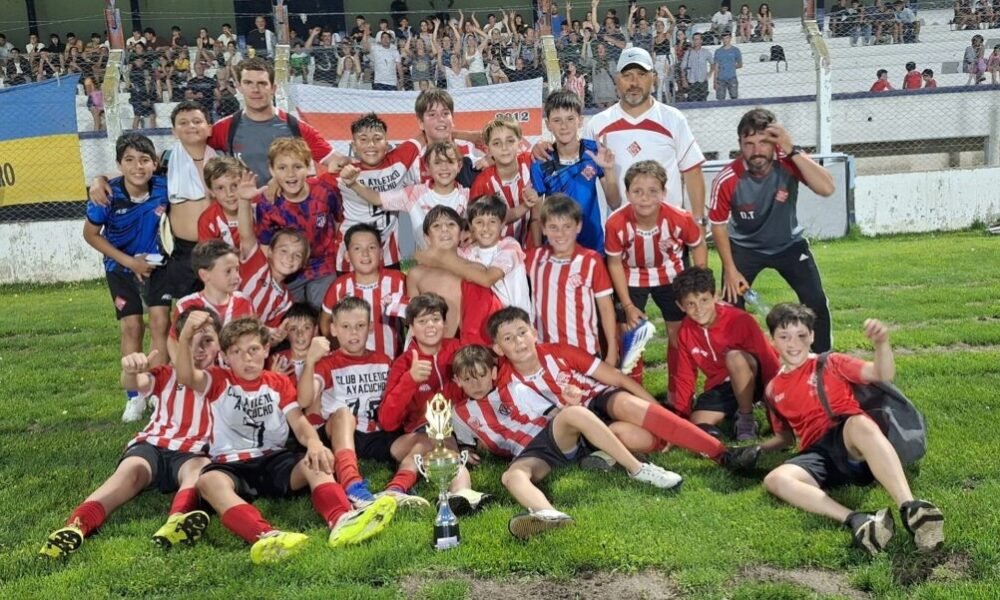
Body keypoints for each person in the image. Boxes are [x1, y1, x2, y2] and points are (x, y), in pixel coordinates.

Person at [175, 314, 396, 564]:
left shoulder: (277, 382)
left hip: (274, 459)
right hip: (231, 464)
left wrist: (314, 443)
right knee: (208, 482)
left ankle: (343, 518)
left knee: (317, 461)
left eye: (254, 349)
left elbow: (299, 423)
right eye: (237, 352)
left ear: (266, 349)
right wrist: (185, 338)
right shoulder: (218, 380)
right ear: (225, 357)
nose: (247, 358)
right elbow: (185, 375)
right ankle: (266, 536)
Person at [757, 304, 945, 555]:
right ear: (772, 340)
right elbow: (784, 437)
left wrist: (881, 343)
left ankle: (911, 509)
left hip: (849, 441)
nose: (794, 343)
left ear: (812, 336)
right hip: (818, 453)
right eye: (784, 336)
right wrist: (756, 449)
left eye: (802, 335)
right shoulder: (773, 389)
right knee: (775, 479)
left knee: (859, 423)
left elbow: (882, 373)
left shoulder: (830, 362)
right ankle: (859, 520)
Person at [448, 345, 682, 540]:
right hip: (529, 455)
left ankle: (639, 469)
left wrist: (570, 404)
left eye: (481, 375)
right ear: (457, 380)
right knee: (510, 476)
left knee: (573, 414)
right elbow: (466, 447)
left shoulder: (515, 389)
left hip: (550, 437)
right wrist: (469, 454)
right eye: (468, 379)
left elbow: (553, 413)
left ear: (492, 372)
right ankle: (549, 515)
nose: (476, 384)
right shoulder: (460, 414)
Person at [39, 310, 222, 559]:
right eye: (192, 341)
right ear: (179, 343)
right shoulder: (167, 374)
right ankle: (76, 525)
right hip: (154, 445)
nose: (200, 349)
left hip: (194, 452)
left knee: (198, 472)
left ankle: (177, 522)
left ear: (220, 343)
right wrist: (130, 369)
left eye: (208, 341)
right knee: (129, 474)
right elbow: (135, 383)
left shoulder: (226, 378)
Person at [487, 307, 757, 473]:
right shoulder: (508, 385)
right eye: (508, 338)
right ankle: (623, 449)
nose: (519, 341)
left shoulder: (558, 352)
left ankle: (722, 454)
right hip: (578, 427)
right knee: (637, 436)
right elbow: (539, 428)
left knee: (627, 404)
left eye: (522, 332)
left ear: (534, 333)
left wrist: (659, 409)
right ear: (499, 349)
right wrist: (568, 408)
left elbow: (618, 378)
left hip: (596, 399)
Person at [709, 108, 836, 353]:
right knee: (729, 305)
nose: (757, 151)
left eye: (764, 142)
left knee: (816, 300)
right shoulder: (727, 178)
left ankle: (822, 361)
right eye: (749, 143)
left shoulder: (789, 162)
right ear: (740, 144)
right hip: (745, 248)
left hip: (788, 244)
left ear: (775, 141)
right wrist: (731, 270)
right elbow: (718, 225)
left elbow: (827, 188)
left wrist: (792, 149)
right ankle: (741, 363)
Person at [299, 297, 442, 509]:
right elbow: (304, 399)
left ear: (371, 328)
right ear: (334, 329)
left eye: (360, 326)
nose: (354, 332)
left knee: (429, 440)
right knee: (344, 414)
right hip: (342, 432)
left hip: (378, 433)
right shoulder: (327, 363)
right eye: (346, 327)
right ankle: (352, 484)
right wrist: (310, 362)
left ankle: (396, 490)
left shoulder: (384, 360)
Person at [83, 133, 172, 422]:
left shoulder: (164, 187)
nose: (138, 167)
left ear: (155, 163)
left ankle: (158, 393)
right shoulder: (106, 195)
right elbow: (91, 234)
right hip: (120, 268)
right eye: (130, 160)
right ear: (119, 165)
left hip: (157, 267)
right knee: (132, 328)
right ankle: (135, 396)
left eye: (145, 160)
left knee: (161, 325)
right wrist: (129, 262)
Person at [579, 48, 708, 227]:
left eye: (641, 74)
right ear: (617, 80)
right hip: (622, 237)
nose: (634, 82)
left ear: (653, 78)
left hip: (670, 233)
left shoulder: (672, 118)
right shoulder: (597, 125)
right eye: (627, 75)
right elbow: (581, 174)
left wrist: (699, 221)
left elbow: (692, 172)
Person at [606, 160, 705, 380]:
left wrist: (700, 281)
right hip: (631, 275)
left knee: (678, 332)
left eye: (653, 191)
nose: (645, 198)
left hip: (671, 273)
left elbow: (698, 243)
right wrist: (628, 305)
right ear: (628, 194)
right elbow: (613, 263)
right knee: (630, 333)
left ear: (663, 193)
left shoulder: (680, 218)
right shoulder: (615, 223)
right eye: (638, 191)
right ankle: (635, 393)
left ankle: (678, 393)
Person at [669, 267, 780, 441]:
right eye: (691, 304)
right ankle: (734, 411)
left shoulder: (740, 320)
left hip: (753, 377)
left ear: (715, 297)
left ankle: (746, 418)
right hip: (721, 385)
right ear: (680, 306)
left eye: (704, 300)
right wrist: (680, 419)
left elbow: (768, 361)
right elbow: (685, 376)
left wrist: (775, 410)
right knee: (697, 425)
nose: (699, 309)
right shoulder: (685, 332)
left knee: (734, 357)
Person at [413, 196, 532, 343]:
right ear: (470, 226)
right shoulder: (468, 253)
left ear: (502, 224)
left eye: (492, 222)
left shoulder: (509, 246)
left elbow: (487, 279)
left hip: (518, 326)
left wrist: (434, 257)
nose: (486, 228)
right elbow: (450, 259)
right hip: (487, 330)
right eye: (479, 222)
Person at [323, 113, 422, 274]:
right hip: (352, 255)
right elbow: (303, 186)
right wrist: (273, 183)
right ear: (353, 146)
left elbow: (430, 131)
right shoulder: (342, 174)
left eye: (377, 138)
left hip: (390, 253)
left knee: (392, 294)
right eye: (363, 139)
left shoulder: (399, 160)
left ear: (387, 144)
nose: (371, 144)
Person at [252, 137, 343, 310]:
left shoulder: (325, 191)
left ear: (308, 167)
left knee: (322, 307)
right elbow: (265, 246)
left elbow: (338, 221)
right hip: (289, 269)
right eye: (282, 168)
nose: (290, 174)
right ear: (272, 170)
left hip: (323, 264)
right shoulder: (268, 203)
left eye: (297, 166)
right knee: (293, 313)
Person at [528, 195, 618, 366]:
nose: (560, 234)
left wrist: (612, 350)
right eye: (553, 227)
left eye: (567, 226)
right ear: (543, 229)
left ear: (578, 226)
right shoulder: (534, 257)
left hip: (584, 351)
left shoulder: (591, 261)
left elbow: (606, 309)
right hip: (545, 352)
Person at [530, 90, 620, 254]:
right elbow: (536, 216)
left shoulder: (594, 152)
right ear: (548, 124)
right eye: (557, 120)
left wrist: (609, 170)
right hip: (556, 250)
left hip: (593, 248)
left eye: (570, 119)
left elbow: (614, 203)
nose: (564, 126)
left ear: (580, 121)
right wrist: (537, 254)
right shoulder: (541, 162)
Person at [341, 141, 469, 252]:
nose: (444, 167)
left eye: (450, 162)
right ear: (428, 167)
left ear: (459, 166)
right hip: (427, 267)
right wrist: (353, 184)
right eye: (437, 162)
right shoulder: (414, 194)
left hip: (460, 265)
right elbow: (377, 198)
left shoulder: (468, 196)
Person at [319, 223, 407, 360]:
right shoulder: (339, 286)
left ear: (381, 253)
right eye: (357, 248)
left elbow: (414, 316)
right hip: (352, 365)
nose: (365, 254)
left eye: (371, 247)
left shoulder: (399, 281)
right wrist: (339, 350)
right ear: (347, 256)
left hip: (392, 361)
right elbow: (325, 322)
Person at [235, 175, 308, 331]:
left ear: (302, 264)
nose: (289, 258)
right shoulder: (256, 264)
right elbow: (246, 235)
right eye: (283, 251)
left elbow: (269, 333)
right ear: (269, 252)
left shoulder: (286, 299)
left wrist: (274, 336)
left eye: (297, 255)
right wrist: (244, 201)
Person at [169, 240, 255, 356]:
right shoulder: (186, 305)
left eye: (237, 269)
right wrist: (183, 368)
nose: (236, 276)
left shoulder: (244, 302)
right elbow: (173, 341)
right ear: (204, 275)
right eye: (228, 271)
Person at [469, 118, 538, 245]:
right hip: (495, 250)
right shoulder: (482, 183)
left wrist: (542, 144)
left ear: (520, 142)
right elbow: (477, 224)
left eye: (510, 141)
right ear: (487, 149)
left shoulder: (531, 163)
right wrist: (525, 206)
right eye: (496, 143)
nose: (504, 148)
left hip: (529, 246)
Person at [197, 156, 244, 248]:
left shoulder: (258, 207)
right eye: (220, 188)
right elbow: (208, 259)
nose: (229, 193)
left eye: (234, 185)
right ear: (211, 191)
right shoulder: (208, 221)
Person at [680, 33, 714, 103]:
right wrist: (684, 80)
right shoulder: (688, 53)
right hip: (692, 82)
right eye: (694, 39)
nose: (695, 41)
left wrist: (710, 73)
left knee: (703, 103)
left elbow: (713, 63)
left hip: (703, 82)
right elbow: (683, 67)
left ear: (701, 40)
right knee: (692, 103)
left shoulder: (705, 52)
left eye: (697, 39)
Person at [711, 32, 743, 101]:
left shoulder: (735, 50)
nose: (725, 40)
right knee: (720, 99)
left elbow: (740, 64)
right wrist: (714, 82)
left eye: (727, 38)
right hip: (720, 79)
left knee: (734, 98)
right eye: (724, 38)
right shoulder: (718, 51)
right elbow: (716, 67)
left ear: (730, 38)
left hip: (732, 78)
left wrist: (730, 67)